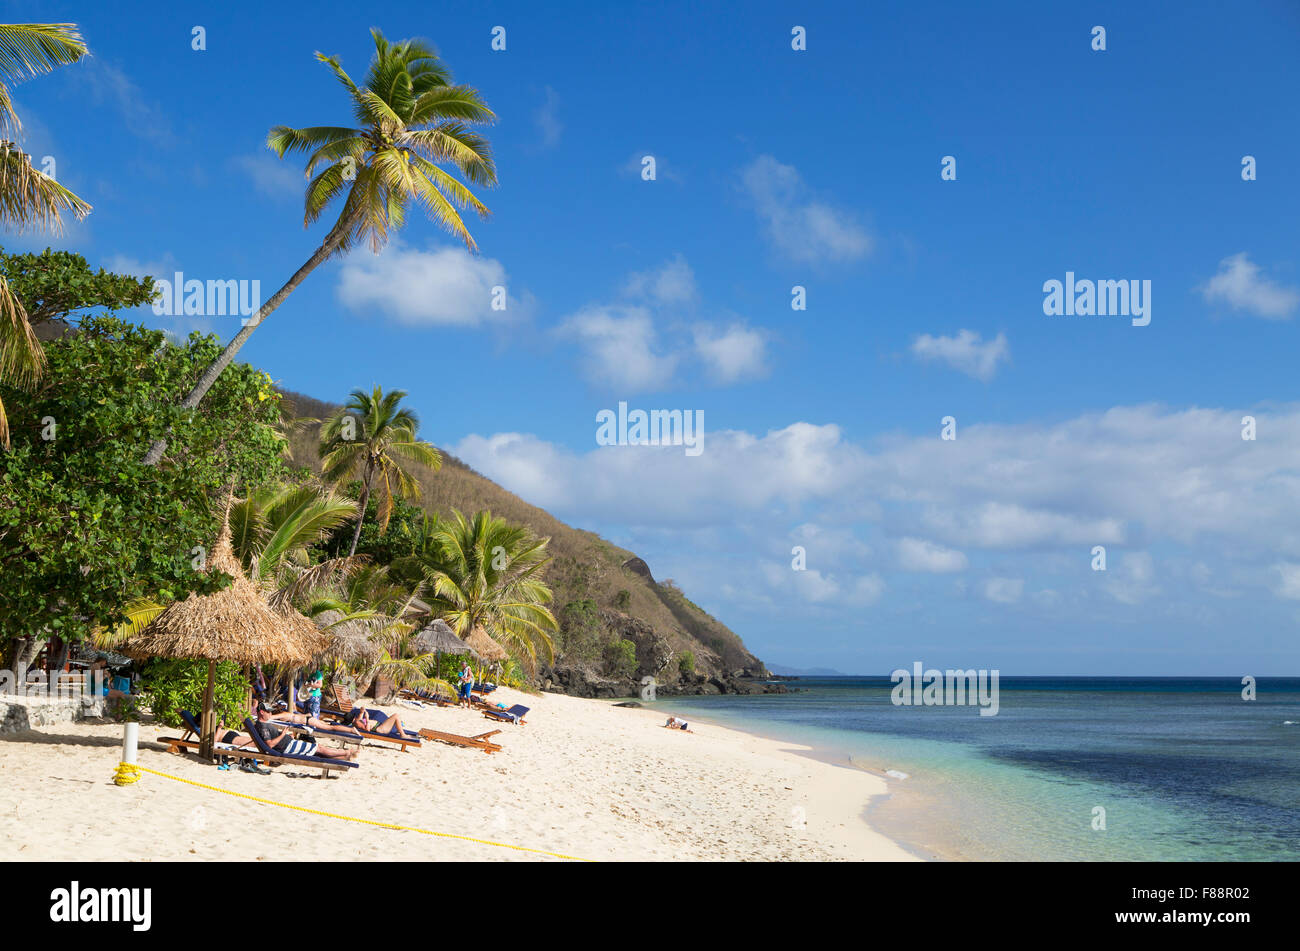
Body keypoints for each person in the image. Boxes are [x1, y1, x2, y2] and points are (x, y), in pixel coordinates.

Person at [253, 703, 357, 761]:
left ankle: (345, 757)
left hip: (289, 743)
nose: (270, 713)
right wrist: (283, 734)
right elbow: (270, 744)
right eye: (268, 711)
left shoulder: (264, 724)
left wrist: (286, 735)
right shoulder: (263, 727)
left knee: (318, 750)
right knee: (319, 748)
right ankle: (346, 752)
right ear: (262, 712)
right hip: (287, 747)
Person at [341, 704, 408, 738]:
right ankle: (403, 735)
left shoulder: (357, 721)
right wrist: (367, 719)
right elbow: (367, 730)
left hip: (380, 726)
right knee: (396, 716)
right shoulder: (357, 723)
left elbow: (360, 716)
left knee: (396, 718)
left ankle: (402, 733)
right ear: (353, 718)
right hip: (380, 729)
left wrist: (362, 711)